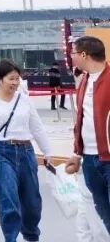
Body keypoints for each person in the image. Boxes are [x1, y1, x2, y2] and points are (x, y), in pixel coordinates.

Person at [0, 60, 52, 242]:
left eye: (18, 79)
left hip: (26, 152)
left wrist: (47, 152)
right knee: (8, 201)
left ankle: (31, 236)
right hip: (1, 152)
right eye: (11, 79)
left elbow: (37, 127)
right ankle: (11, 238)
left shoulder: (24, 100)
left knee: (32, 202)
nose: (16, 82)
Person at [67, 36, 110, 235]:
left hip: (108, 159)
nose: (71, 56)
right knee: (103, 213)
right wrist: (77, 154)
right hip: (90, 160)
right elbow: (81, 120)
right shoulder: (84, 80)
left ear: (84, 54)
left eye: (73, 53)